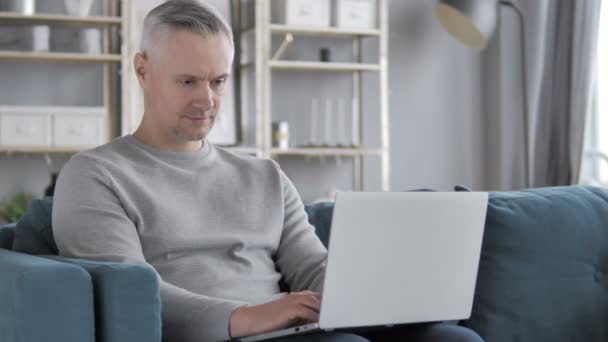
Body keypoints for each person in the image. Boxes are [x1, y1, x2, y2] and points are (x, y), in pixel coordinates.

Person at [52, 1, 483, 342]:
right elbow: (129, 294)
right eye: (188, 82)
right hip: (227, 334)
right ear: (142, 69)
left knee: (453, 338)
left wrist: (375, 297)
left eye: (218, 82)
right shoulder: (95, 175)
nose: (207, 100)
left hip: (293, 328)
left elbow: (312, 267)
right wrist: (248, 316)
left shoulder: (265, 176)